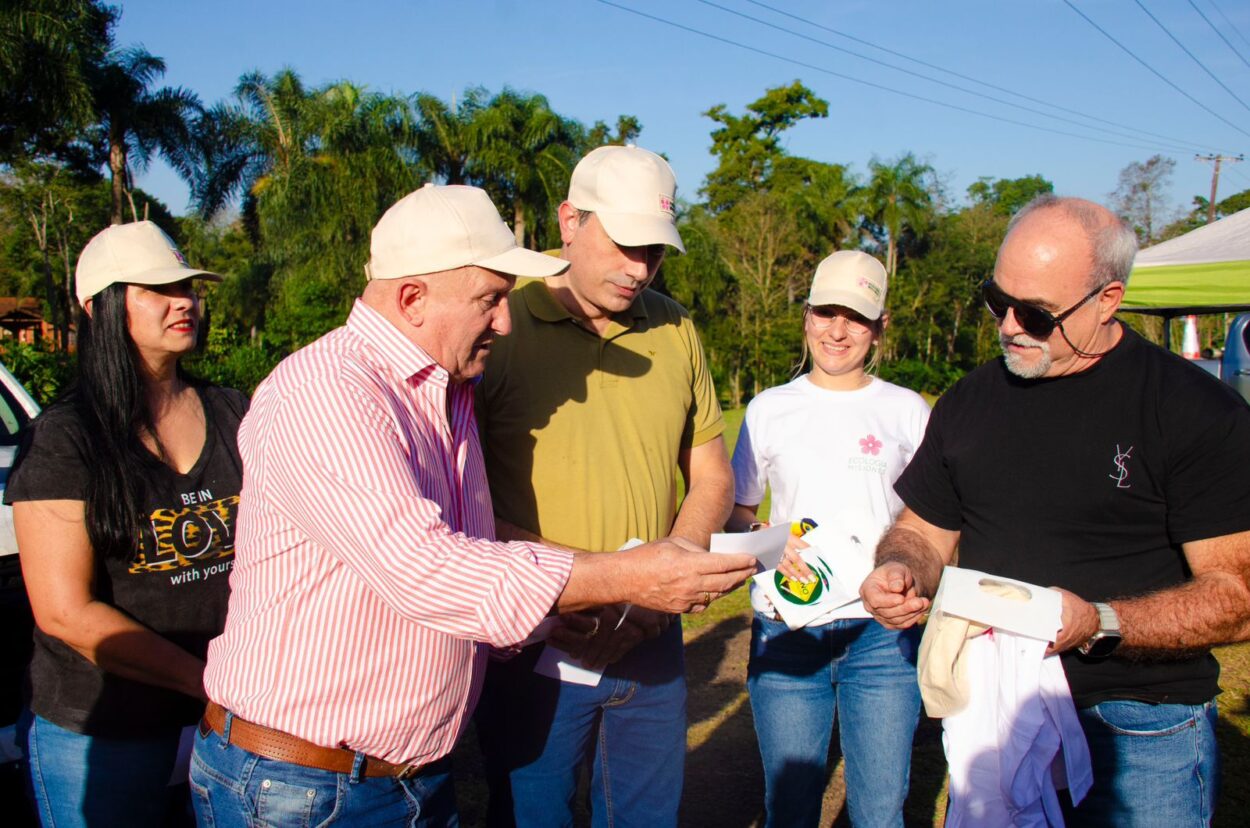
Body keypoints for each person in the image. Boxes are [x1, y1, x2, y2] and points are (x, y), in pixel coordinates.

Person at [192, 183, 755, 827]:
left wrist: (547, 621)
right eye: (490, 301)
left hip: (403, 780)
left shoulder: (448, 393)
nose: (505, 322)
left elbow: (476, 546)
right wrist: (631, 575)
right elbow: (427, 571)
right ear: (412, 299)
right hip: (304, 789)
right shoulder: (326, 394)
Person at [860, 194, 1250, 827]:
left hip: (1136, 722)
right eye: (996, 299)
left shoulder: (1193, 410)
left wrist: (1097, 620)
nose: (1009, 325)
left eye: (1037, 314)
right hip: (998, 710)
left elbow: (1238, 596)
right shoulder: (969, 401)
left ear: (1107, 300)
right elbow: (922, 528)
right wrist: (901, 569)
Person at [474, 145, 734, 827]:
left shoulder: (675, 328)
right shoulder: (500, 325)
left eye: (655, 250)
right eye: (624, 244)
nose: (639, 267)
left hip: (652, 642)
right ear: (569, 221)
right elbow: (458, 502)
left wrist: (667, 574)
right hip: (537, 642)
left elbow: (709, 471)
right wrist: (609, 580)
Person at [6, 221, 246, 826]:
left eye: (188, 287)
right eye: (157, 289)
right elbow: (64, 611)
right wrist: (209, 682)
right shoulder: (65, 438)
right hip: (103, 732)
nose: (184, 301)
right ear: (98, 308)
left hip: (222, 726)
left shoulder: (233, 411)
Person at [726, 250, 929, 828]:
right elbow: (740, 516)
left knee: (880, 810)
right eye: (826, 313)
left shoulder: (907, 412)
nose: (838, 332)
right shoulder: (769, 409)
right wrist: (768, 542)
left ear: (880, 326)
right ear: (807, 316)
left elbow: (934, 520)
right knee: (789, 808)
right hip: (787, 631)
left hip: (880, 638)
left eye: (856, 318)